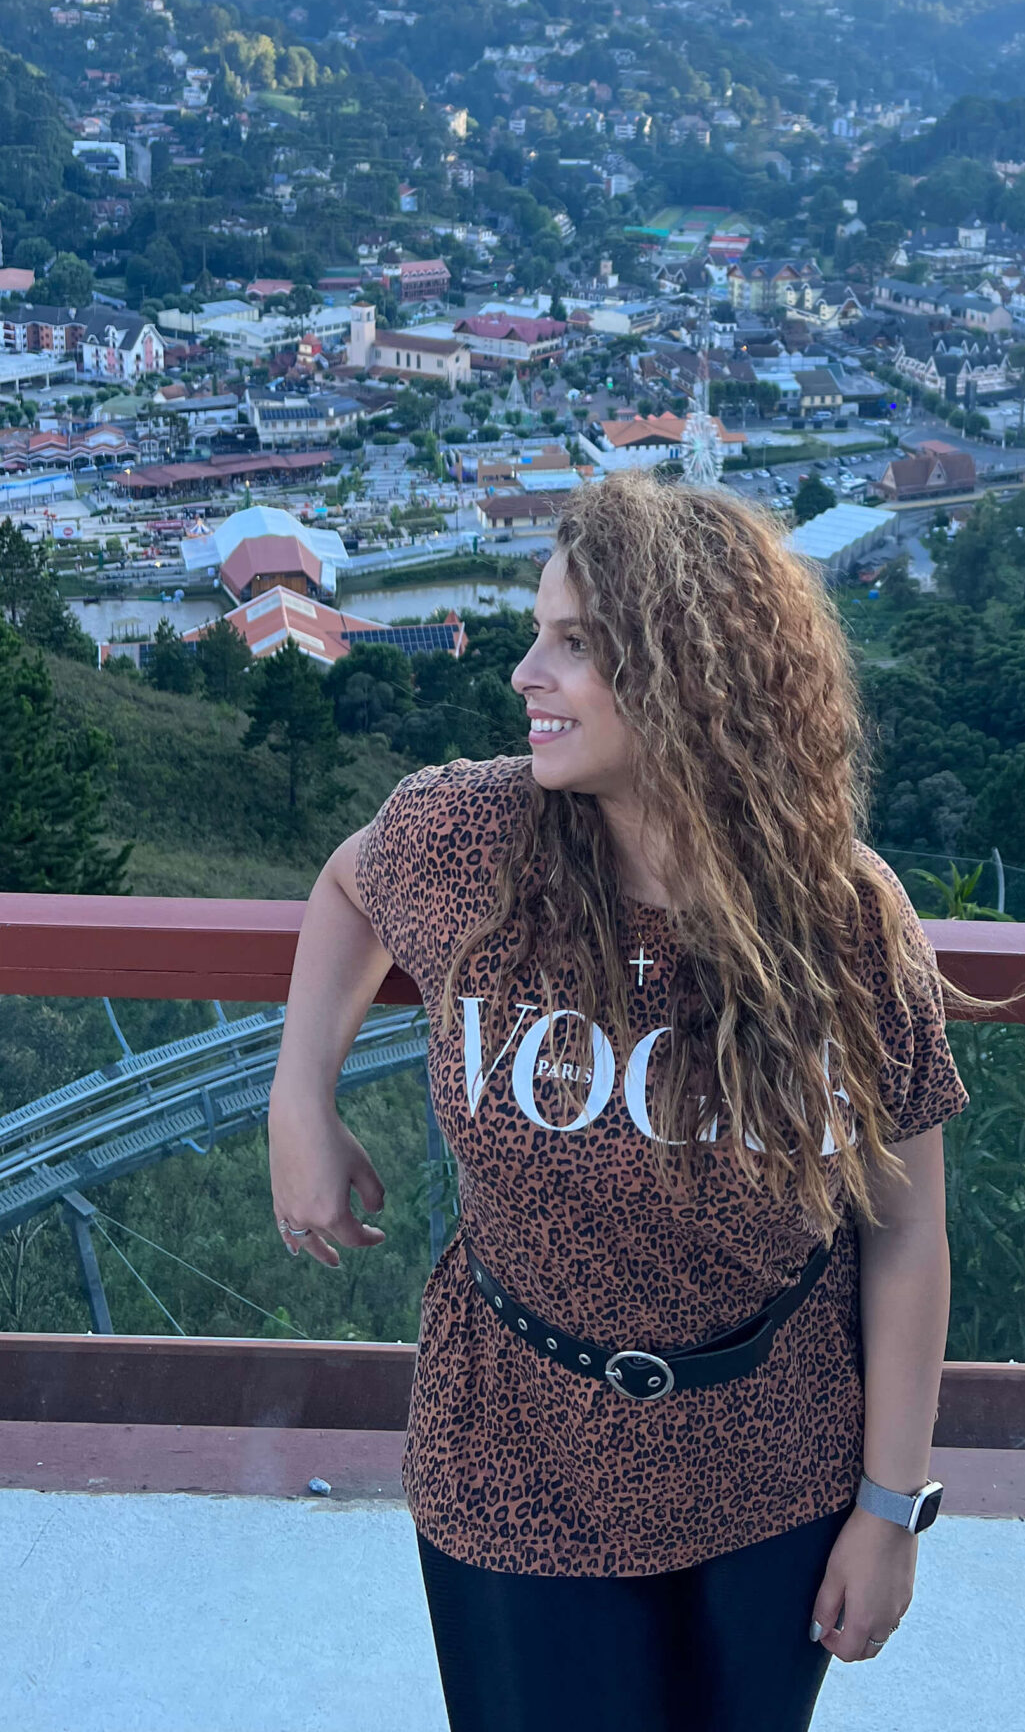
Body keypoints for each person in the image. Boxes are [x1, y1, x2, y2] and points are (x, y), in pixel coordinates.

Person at [268, 470, 968, 1732]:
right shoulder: (474, 838)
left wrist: (890, 1509)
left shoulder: (848, 922)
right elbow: (347, 883)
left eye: (575, 643)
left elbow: (906, 1229)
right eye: (538, 632)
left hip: (774, 1465)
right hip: (514, 1447)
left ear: (695, 670)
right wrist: (298, 1098)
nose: (524, 673)